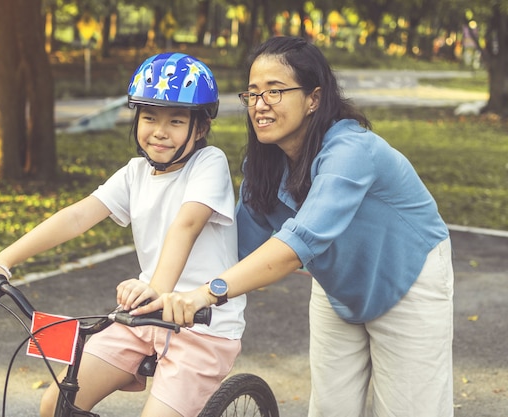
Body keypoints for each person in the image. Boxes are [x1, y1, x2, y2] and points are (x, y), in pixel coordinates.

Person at [134, 37, 455, 417]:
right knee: (330, 408)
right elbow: (235, 251)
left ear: (314, 99)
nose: (260, 105)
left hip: (407, 277)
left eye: (275, 91)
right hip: (339, 286)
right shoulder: (264, 168)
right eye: (252, 94)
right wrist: (159, 294)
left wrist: (207, 293)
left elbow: (295, 245)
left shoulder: (350, 151)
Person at [0, 52, 246, 417]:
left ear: (201, 128)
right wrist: (2, 260)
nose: (160, 131)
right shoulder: (134, 173)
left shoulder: (209, 164)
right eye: (149, 117)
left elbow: (187, 223)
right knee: (57, 404)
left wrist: (158, 288)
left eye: (176, 121)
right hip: (141, 316)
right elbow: (78, 216)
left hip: (203, 324)